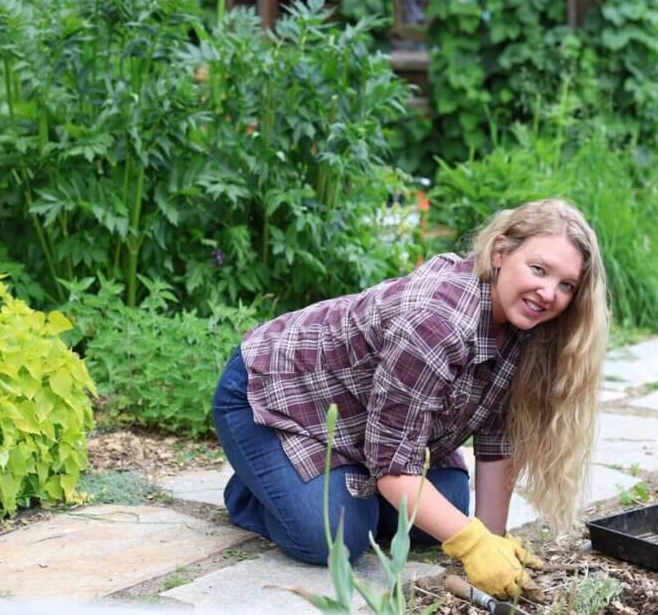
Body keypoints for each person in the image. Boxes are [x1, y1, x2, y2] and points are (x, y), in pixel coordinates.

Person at [212, 198, 609, 599]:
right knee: (335, 538)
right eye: (538, 270)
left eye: (566, 285)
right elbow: (393, 468)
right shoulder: (436, 324)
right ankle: (256, 491)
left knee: (447, 504)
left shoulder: (526, 329)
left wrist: (493, 538)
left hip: (370, 427)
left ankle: (325, 487)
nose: (547, 292)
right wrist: (470, 545)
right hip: (278, 397)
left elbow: (496, 440)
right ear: (501, 252)